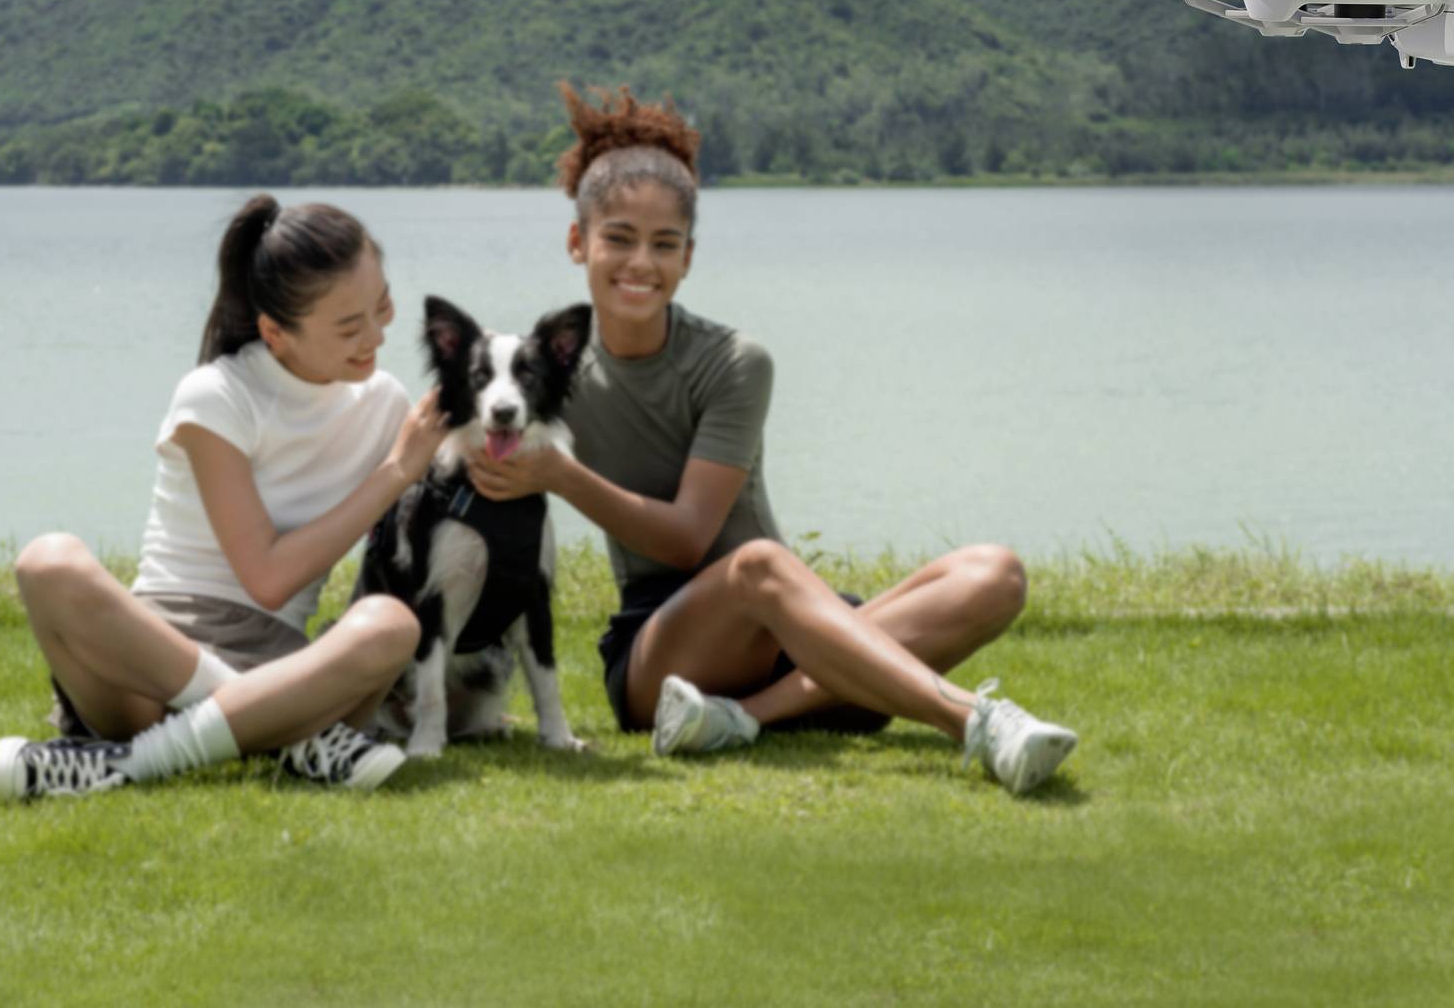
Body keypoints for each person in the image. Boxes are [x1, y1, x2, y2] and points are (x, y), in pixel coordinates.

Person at [460, 84, 1078, 795]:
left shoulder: (733, 361)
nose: (641, 263)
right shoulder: (547, 373)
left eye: (664, 244)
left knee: (995, 571)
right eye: (619, 238)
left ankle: (741, 718)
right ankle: (977, 722)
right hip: (662, 651)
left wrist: (562, 475)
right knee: (759, 567)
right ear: (579, 242)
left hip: (788, 628)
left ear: (688, 256)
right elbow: (454, 413)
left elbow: (692, 532)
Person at [0, 195, 447, 799]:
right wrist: (394, 472)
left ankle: (119, 767)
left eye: (381, 306)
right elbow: (267, 576)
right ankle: (290, 739)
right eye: (347, 326)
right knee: (47, 562)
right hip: (149, 661)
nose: (375, 335)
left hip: (279, 662)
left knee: (389, 625)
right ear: (275, 334)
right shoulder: (216, 394)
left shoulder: (384, 402)